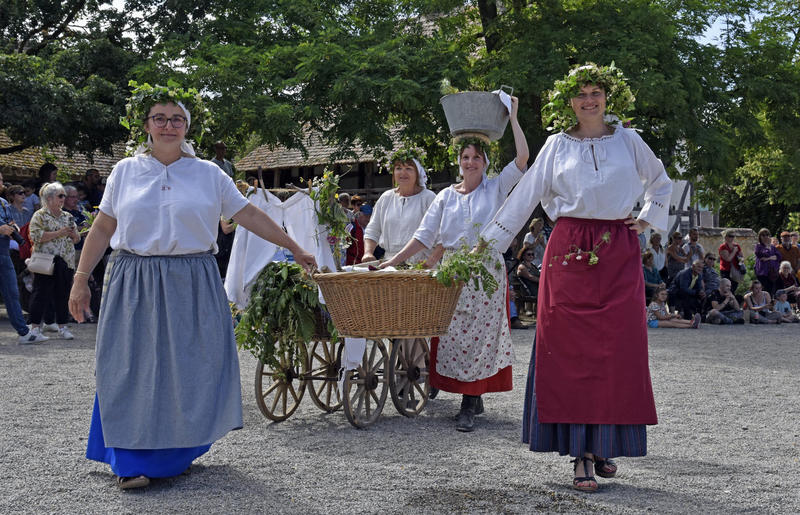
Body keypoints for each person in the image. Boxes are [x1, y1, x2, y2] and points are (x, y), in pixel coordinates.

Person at [68, 86, 317, 490]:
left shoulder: (208, 174)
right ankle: (131, 461)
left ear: (188, 126)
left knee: (189, 366)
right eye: (159, 118)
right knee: (130, 365)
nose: (168, 126)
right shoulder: (125, 171)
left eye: (177, 119)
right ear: (145, 125)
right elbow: (103, 227)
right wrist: (80, 279)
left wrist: (295, 246)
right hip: (135, 278)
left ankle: (177, 453)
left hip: (192, 277)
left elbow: (249, 213)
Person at [479, 63, 672, 492]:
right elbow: (526, 195)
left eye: (596, 92)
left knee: (616, 352)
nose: (589, 100)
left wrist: (645, 220)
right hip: (569, 250)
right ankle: (580, 455)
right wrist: (487, 243)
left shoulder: (629, 140)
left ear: (608, 96)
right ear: (569, 101)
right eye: (581, 94)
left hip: (618, 250)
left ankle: (603, 446)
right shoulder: (555, 145)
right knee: (570, 352)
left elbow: (660, 182)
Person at [382, 94, 529, 433]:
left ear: (485, 162)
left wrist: (515, 116)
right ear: (459, 161)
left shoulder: (496, 189)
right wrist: (393, 260)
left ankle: (467, 403)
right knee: (449, 335)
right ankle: (470, 396)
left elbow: (522, 158)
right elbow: (423, 236)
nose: (470, 162)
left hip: (484, 272)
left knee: (478, 336)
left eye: (476, 157)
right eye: (465, 157)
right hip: (451, 271)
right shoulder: (446, 196)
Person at [361, 150, 439, 265]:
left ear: (417, 173)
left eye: (408, 168)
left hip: (421, 264)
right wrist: (368, 252)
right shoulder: (386, 198)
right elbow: (373, 229)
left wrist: (430, 261)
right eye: (398, 168)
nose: (403, 173)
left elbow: (440, 235)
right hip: (389, 263)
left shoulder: (428, 198)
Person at [27, 182, 80, 340]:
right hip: (46, 260)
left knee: (63, 294)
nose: (64, 199)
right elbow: (36, 236)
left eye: (64, 195)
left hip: (65, 260)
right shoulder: (40, 215)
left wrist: (73, 235)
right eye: (61, 196)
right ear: (49, 198)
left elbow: (76, 239)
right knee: (40, 293)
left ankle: (63, 326)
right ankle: (35, 328)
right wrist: (59, 232)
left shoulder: (68, 216)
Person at [0, 176, 48, 343]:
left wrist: (12, 227)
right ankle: (23, 331)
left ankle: (23, 332)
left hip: (4, 253)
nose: (1, 183)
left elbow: (8, 221)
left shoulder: (2, 202)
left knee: (12, 293)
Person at [754, 228, 781, 296]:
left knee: (772, 290)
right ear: (760, 236)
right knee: (764, 289)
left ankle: (770, 304)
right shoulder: (758, 246)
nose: (765, 236)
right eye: (763, 235)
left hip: (772, 272)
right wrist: (772, 257)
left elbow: (779, 257)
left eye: (767, 235)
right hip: (762, 272)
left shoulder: (772, 247)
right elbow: (760, 255)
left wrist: (768, 258)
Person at [515, 245, 540, 314]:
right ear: (523, 256)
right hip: (529, 290)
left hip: (537, 287)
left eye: (532, 254)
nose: (531, 256)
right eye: (528, 254)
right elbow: (530, 277)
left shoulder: (533, 266)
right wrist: (543, 281)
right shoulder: (522, 267)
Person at [718, 230, 744, 294]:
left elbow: (741, 257)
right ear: (726, 237)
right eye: (730, 236)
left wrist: (741, 263)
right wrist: (734, 251)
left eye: (733, 236)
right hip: (726, 270)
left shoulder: (736, 245)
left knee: (734, 288)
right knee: (726, 289)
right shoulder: (723, 247)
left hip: (736, 270)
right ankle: (726, 302)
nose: (732, 238)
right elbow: (728, 259)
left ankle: (731, 302)